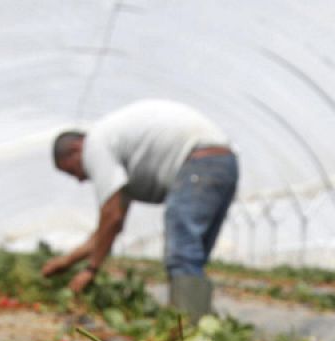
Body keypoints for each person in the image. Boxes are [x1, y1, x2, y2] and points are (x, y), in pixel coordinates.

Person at [42, 99, 238, 319]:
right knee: (192, 258)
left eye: (72, 171)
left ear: (76, 149)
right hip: (224, 163)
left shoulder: (95, 146)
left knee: (182, 256)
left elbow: (112, 216)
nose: (79, 179)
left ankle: (189, 332)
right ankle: (198, 328)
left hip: (198, 163)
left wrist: (91, 269)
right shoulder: (117, 152)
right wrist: (67, 261)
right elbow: (109, 228)